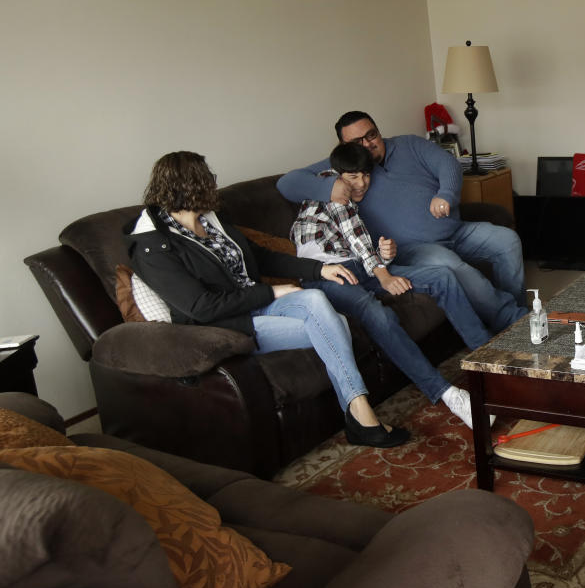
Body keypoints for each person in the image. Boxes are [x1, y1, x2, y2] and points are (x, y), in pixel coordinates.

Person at [124, 151, 408, 448]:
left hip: (257, 302)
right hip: (230, 324)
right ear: (192, 185)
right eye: (208, 179)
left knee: (314, 299)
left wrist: (319, 268)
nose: (213, 185)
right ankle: (362, 417)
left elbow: (259, 258)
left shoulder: (210, 220)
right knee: (336, 324)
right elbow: (202, 308)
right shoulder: (153, 247)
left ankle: (359, 416)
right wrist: (274, 291)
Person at [292, 142, 491, 429]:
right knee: (378, 314)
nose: (361, 184)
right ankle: (447, 394)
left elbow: (356, 243)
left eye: (366, 175)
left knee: (442, 276)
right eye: (353, 177)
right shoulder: (331, 185)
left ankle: (487, 362)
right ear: (338, 174)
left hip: (356, 266)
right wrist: (383, 275)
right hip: (324, 276)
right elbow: (352, 232)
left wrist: (384, 254)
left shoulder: (347, 189)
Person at [277, 110, 528, 333]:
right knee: (449, 265)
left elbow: (448, 163)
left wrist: (445, 194)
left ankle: (520, 314)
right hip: (412, 248)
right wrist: (330, 186)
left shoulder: (408, 144)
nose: (367, 144)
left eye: (371, 135)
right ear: (344, 147)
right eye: (357, 142)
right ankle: (512, 319)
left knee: (507, 240)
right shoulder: (341, 166)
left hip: (457, 231)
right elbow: (286, 183)